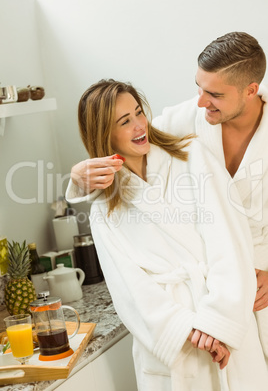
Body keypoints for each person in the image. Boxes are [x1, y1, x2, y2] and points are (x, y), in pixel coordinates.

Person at [69, 32, 268, 359]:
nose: (201, 101)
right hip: (197, 322)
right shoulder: (185, 125)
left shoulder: (191, 153)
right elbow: (124, 145)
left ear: (250, 91)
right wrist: (78, 179)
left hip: (243, 293)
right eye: (198, 87)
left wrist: (224, 313)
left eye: (214, 93)